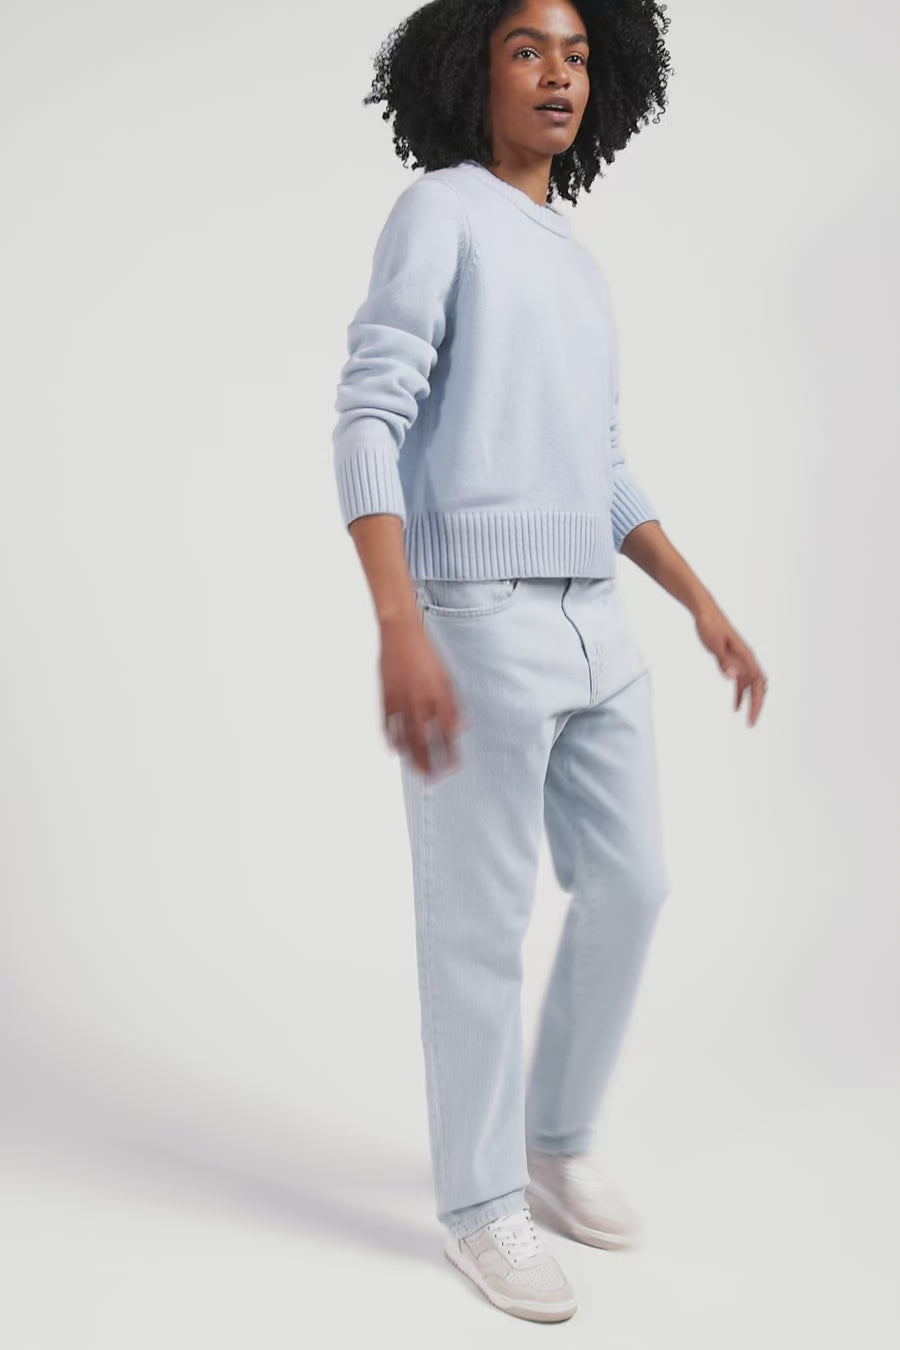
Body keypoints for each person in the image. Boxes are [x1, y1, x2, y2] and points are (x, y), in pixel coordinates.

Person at [331, 0, 768, 1324]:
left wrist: (699, 600)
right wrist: (400, 622)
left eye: (579, 54)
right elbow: (368, 415)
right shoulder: (440, 214)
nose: (559, 74)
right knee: (478, 922)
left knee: (632, 882)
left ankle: (552, 1137)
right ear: (470, 69)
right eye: (528, 48)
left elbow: (604, 459)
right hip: (476, 618)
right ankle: (479, 1208)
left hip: (597, 621)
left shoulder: (576, 261)